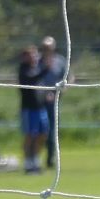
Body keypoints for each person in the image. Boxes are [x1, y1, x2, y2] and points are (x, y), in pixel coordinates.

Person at [17, 45, 49, 174]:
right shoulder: (23, 70)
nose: (34, 57)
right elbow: (31, 80)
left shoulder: (38, 68)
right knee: (30, 135)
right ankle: (28, 164)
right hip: (29, 109)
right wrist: (45, 70)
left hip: (41, 108)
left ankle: (36, 160)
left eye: (35, 54)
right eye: (31, 55)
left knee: (43, 134)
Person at [38, 36, 67, 169]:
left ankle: (50, 158)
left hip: (54, 102)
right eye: (44, 48)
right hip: (38, 102)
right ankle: (33, 160)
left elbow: (68, 76)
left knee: (52, 131)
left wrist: (64, 87)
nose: (46, 51)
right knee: (37, 132)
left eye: (49, 48)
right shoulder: (37, 61)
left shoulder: (60, 61)